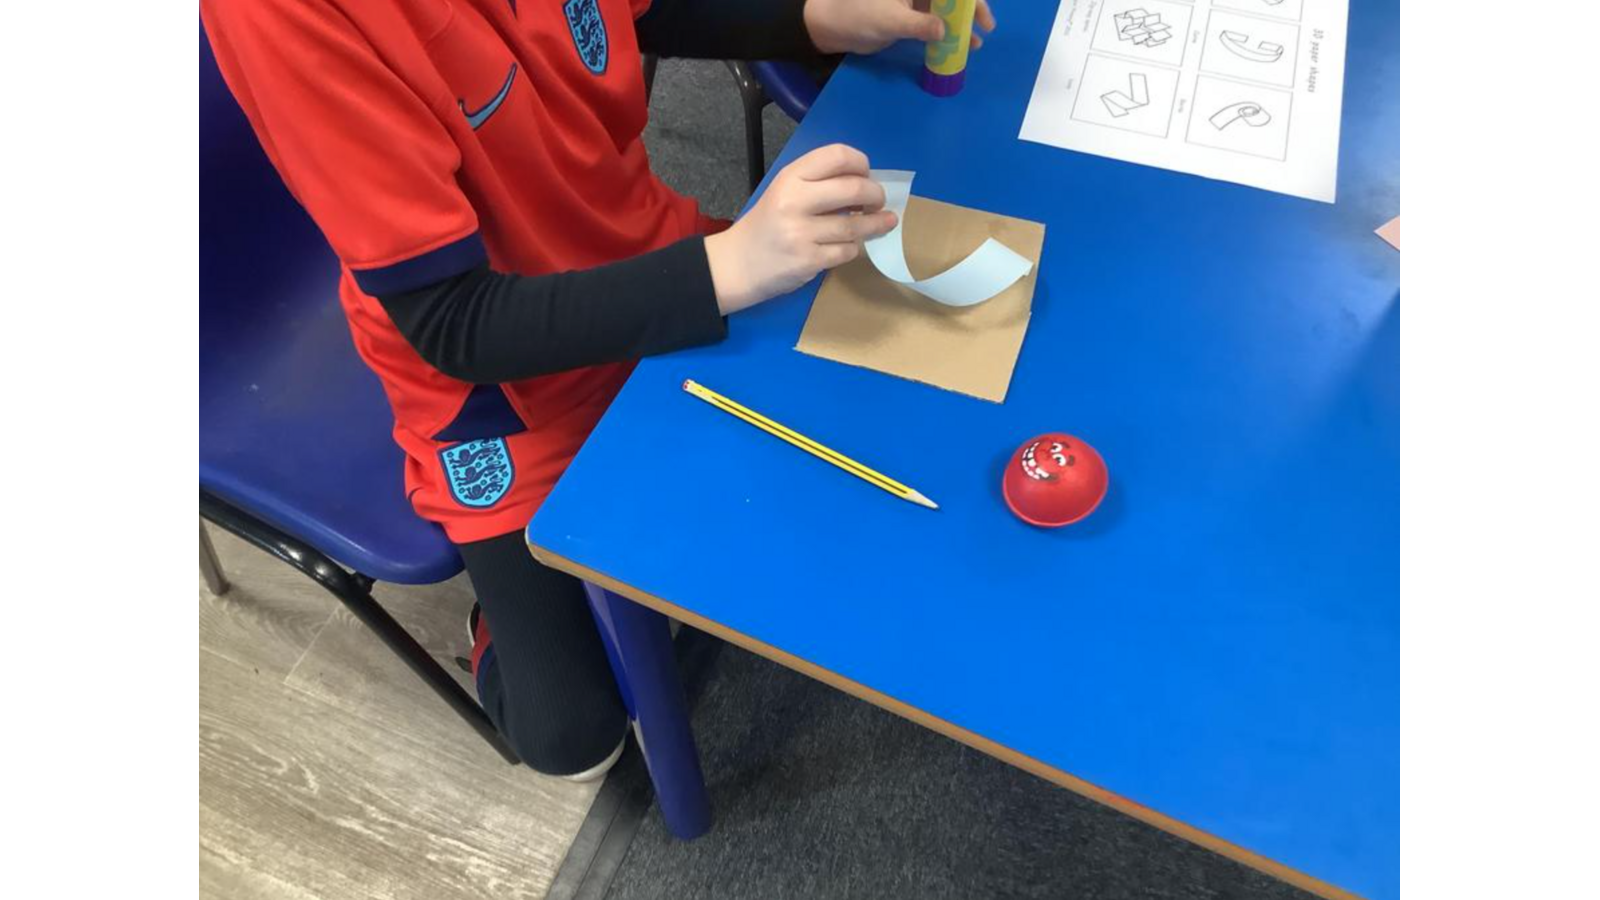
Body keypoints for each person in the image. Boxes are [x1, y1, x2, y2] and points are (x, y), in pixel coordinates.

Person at [201, 0, 995, 780]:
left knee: (872, 431)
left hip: (645, 260)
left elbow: (645, 11)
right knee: (572, 737)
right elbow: (452, 323)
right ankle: (497, 619)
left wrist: (814, 16)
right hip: (503, 388)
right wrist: (728, 269)